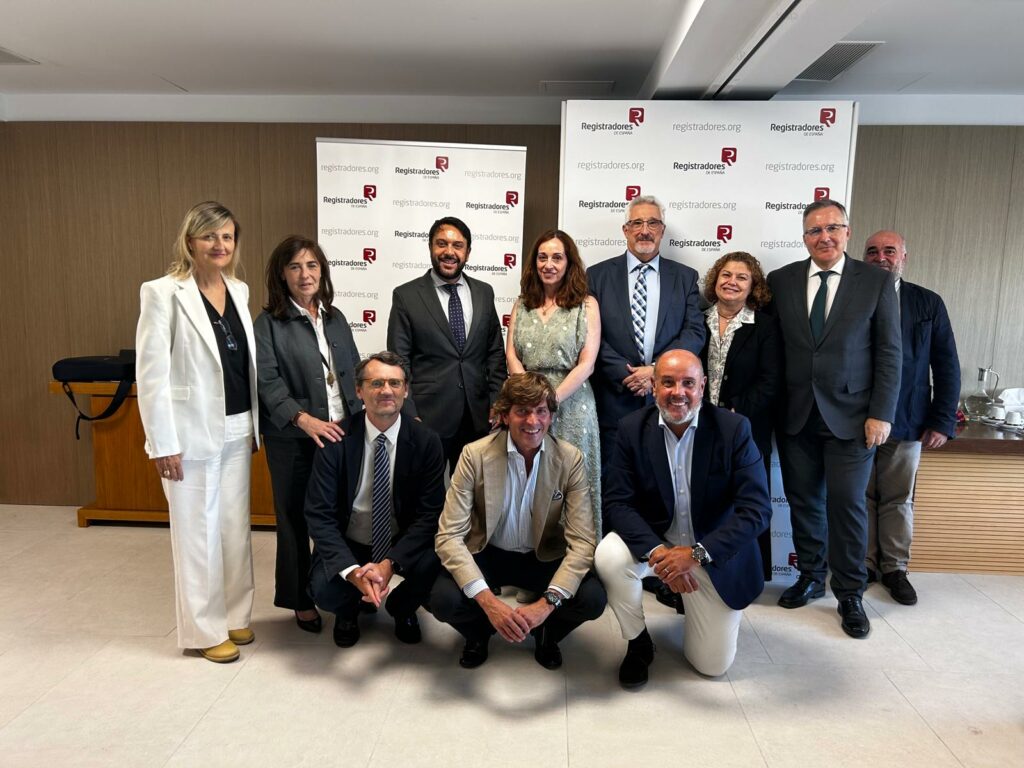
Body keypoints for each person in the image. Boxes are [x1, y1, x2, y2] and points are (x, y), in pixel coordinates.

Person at [596, 350, 770, 688]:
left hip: (711, 553)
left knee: (711, 666)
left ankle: (693, 601)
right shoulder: (632, 428)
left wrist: (695, 555)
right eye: (668, 383)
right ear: (653, 386)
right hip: (658, 542)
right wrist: (659, 554)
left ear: (702, 386)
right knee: (609, 556)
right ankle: (638, 642)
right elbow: (617, 502)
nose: (679, 392)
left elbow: (757, 510)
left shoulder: (733, 429)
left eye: (688, 383)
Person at [767, 199, 901, 639]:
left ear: (847, 232)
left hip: (854, 419)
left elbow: (889, 353)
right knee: (804, 502)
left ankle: (849, 593)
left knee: (846, 507)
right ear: (804, 237)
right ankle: (810, 576)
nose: (823, 237)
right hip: (796, 416)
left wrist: (881, 413)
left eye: (832, 228)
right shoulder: (782, 280)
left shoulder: (875, 281)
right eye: (814, 230)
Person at [136, 201, 259, 663]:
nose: (220, 245)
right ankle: (204, 630)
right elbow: (151, 375)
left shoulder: (239, 290)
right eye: (210, 236)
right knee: (196, 534)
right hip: (188, 433)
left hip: (238, 425)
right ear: (191, 241)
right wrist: (162, 443)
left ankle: (234, 613)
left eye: (227, 236)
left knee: (233, 529)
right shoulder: (163, 292)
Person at [431, 373, 607, 670]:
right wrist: (489, 604)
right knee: (442, 600)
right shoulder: (474, 455)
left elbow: (583, 542)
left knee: (593, 598)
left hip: (543, 555)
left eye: (541, 411)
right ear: (505, 415)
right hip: (489, 552)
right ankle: (479, 633)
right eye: (522, 411)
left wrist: (546, 605)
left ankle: (546, 634)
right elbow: (448, 536)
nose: (532, 421)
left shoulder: (570, 459)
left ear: (551, 416)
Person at [254, 235, 362, 634]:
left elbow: (352, 370)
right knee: (295, 519)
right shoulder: (268, 324)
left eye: (312, 265)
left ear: (322, 271)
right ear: (282, 274)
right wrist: (302, 419)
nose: (305, 274)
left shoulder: (335, 317)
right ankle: (300, 599)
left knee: (341, 517)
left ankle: (346, 593)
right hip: (294, 438)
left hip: (341, 434)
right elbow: (267, 382)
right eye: (295, 266)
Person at [303, 352, 446, 647]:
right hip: (351, 539)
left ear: (406, 390)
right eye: (376, 383)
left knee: (435, 566)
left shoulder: (426, 441)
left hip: (400, 539)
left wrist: (390, 564)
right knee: (324, 589)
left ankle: (402, 609)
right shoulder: (336, 439)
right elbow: (319, 514)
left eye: (395, 383)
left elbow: (430, 514)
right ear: (359, 390)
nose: (386, 391)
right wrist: (352, 572)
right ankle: (348, 611)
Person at [862, 230, 960, 605]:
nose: (881, 257)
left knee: (898, 498)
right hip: (855, 419)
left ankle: (894, 569)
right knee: (860, 497)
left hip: (908, 419)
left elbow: (946, 364)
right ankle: (864, 565)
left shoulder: (927, 302)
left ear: (904, 257)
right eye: (872, 251)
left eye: (890, 251)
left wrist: (942, 420)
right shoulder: (851, 298)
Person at [587, 194, 705, 469]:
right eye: (637, 223)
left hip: (669, 400)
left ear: (662, 230)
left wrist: (655, 371)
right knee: (615, 481)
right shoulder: (597, 276)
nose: (645, 230)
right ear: (625, 230)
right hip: (615, 397)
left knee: (665, 480)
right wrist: (627, 374)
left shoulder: (685, 277)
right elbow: (591, 336)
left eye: (653, 223)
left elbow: (694, 332)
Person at [387, 216, 507, 475]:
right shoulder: (406, 296)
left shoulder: (484, 292)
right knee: (423, 492)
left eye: (457, 245)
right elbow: (398, 361)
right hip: (427, 417)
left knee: (476, 491)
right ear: (431, 247)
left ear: (468, 252)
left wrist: (497, 400)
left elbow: (495, 353)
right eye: (441, 244)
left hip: (478, 417)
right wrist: (409, 411)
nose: (449, 252)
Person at [506, 229, 602, 534]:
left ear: (569, 263)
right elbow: (511, 355)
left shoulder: (586, 305)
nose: (548, 264)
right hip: (527, 404)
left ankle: (577, 551)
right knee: (528, 477)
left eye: (557, 257)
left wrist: (550, 401)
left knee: (572, 481)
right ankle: (530, 548)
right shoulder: (522, 303)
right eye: (542, 257)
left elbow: (587, 363)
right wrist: (530, 400)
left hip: (572, 404)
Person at [700, 252, 783, 581]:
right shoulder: (697, 320)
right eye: (726, 275)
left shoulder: (765, 327)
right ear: (715, 280)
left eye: (741, 277)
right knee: (704, 501)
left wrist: (733, 412)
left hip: (746, 428)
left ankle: (751, 575)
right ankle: (702, 570)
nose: (731, 282)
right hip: (698, 426)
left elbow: (771, 381)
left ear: (753, 287)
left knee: (749, 503)